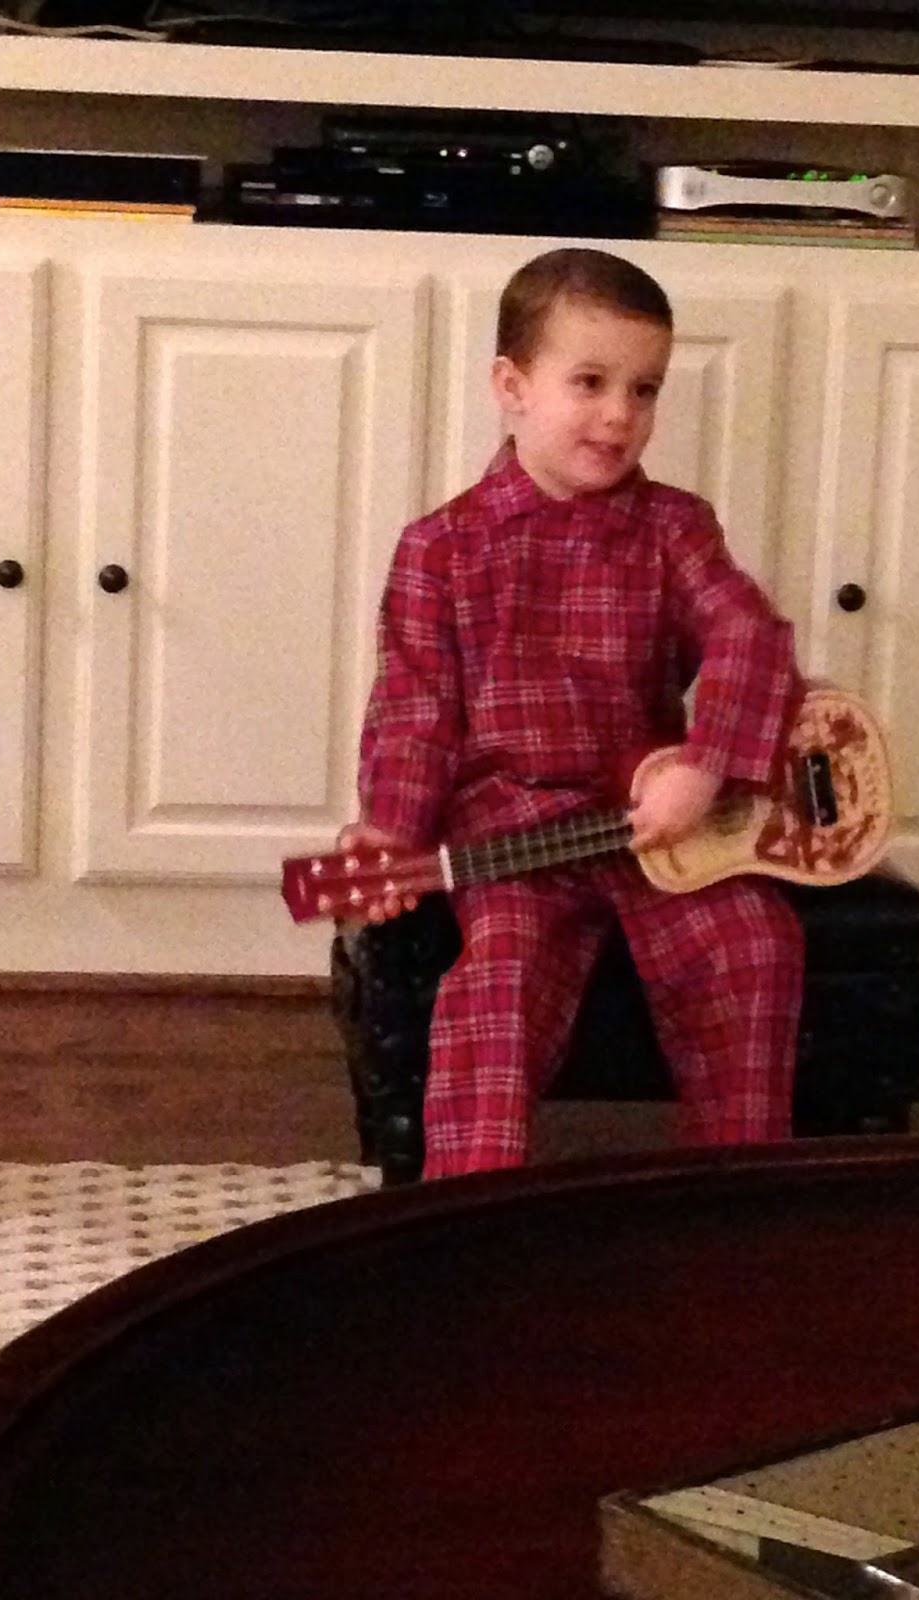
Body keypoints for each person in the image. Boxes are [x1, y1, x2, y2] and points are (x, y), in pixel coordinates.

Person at [344, 246, 805, 1179]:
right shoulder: (440, 548)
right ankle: (470, 1217)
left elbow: (749, 635)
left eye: (644, 389)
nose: (619, 414)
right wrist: (392, 830)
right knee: (497, 983)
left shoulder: (676, 527)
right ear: (512, 387)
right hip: (513, 832)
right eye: (589, 383)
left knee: (753, 944)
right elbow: (414, 712)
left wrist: (704, 765)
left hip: (658, 825)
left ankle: (739, 1206)